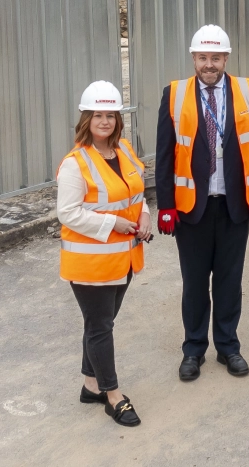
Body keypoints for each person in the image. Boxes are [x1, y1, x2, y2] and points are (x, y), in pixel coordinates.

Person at [154, 24, 249, 382]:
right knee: (194, 283)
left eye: (216, 57)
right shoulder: (174, 94)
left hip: (234, 203)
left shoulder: (248, 92)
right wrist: (165, 205)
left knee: (228, 280)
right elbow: (164, 155)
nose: (209, 64)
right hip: (192, 208)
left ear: (226, 58)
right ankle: (193, 350)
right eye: (203, 57)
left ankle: (228, 347)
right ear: (193, 58)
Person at [58, 80, 154, 428]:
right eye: (97, 115)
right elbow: (68, 213)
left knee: (100, 323)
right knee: (100, 327)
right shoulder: (75, 164)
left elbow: (136, 193)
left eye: (110, 115)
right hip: (91, 262)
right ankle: (113, 397)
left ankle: (90, 384)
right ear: (86, 119)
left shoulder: (125, 151)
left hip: (123, 258)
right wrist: (115, 224)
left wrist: (144, 215)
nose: (105, 121)